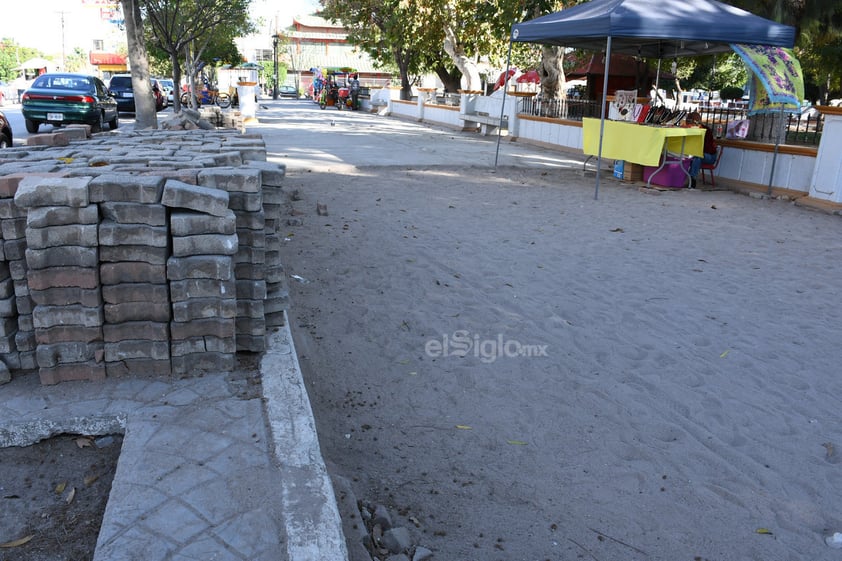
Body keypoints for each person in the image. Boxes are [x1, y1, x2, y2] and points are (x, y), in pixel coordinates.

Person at [685, 111, 717, 188]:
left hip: (710, 156)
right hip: (697, 153)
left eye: (690, 122)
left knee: (697, 157)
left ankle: (692, 179)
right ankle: (684, 178)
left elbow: (707, 148)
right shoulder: (690, 130)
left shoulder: (705, 130)